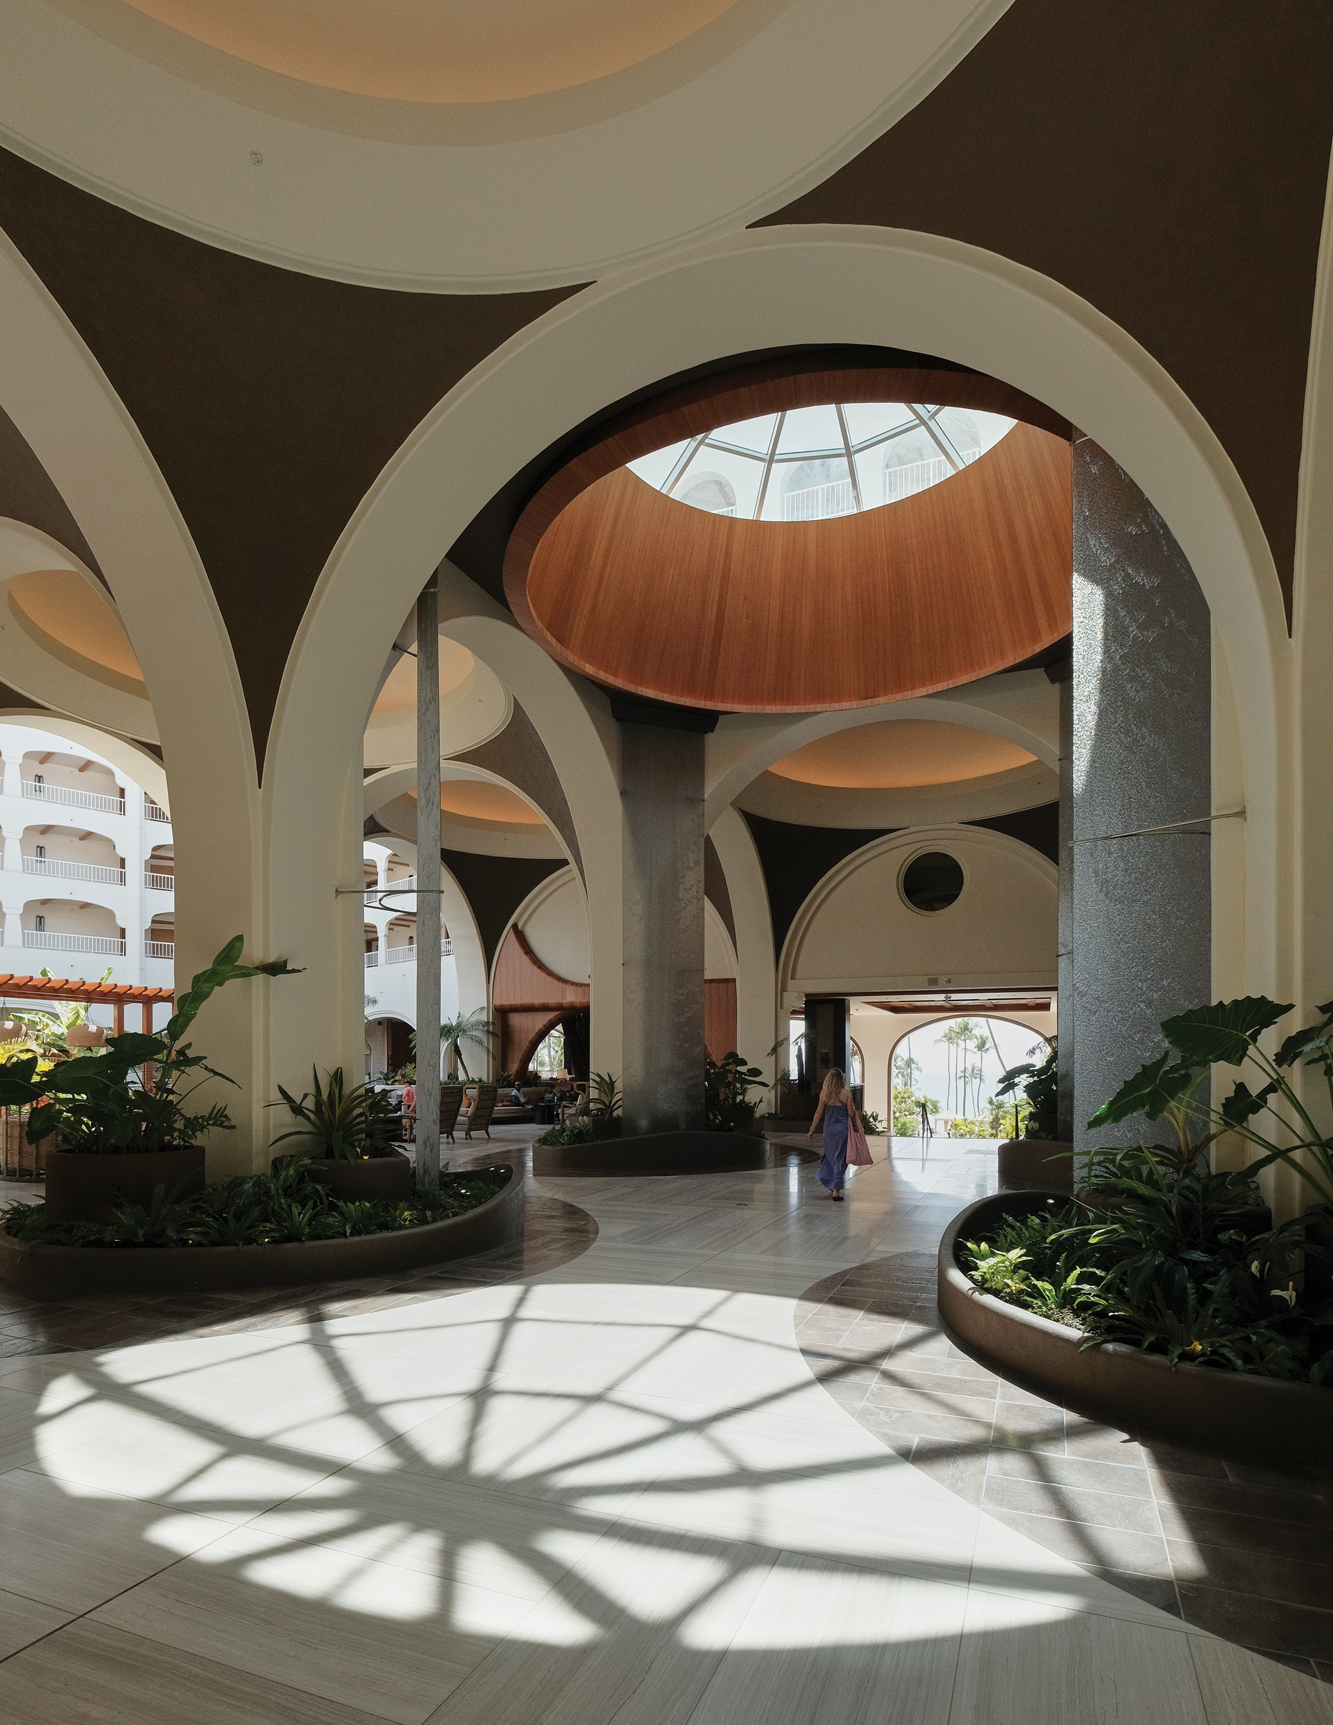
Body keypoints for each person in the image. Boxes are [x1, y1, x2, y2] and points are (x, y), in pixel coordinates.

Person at [808, 1068, 860, 1202]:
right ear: (840, 1080)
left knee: (830, 1157)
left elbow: (818, 1113)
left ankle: (831, 1183)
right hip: (842, 1131)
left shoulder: (824, 1094)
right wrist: (855, 1125)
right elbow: (851, 1113)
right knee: (840, 1158)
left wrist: (812, 1130)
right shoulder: (846, 1094)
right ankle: (836, 1190)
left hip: (828, 1131)